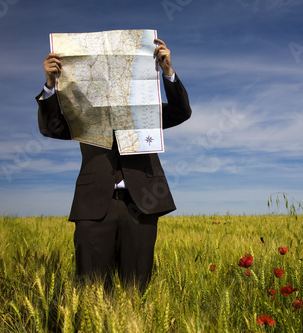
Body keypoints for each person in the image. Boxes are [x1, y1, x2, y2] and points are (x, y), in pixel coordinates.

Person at [36, 38, 192, 292]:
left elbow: (181, 111)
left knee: (137, 287)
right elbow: (51, 128)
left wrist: (167, 72)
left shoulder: (145, 111)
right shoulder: (83, 113)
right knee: (92, 288)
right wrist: (51, 85)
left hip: (141, 203)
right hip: (94, 204)